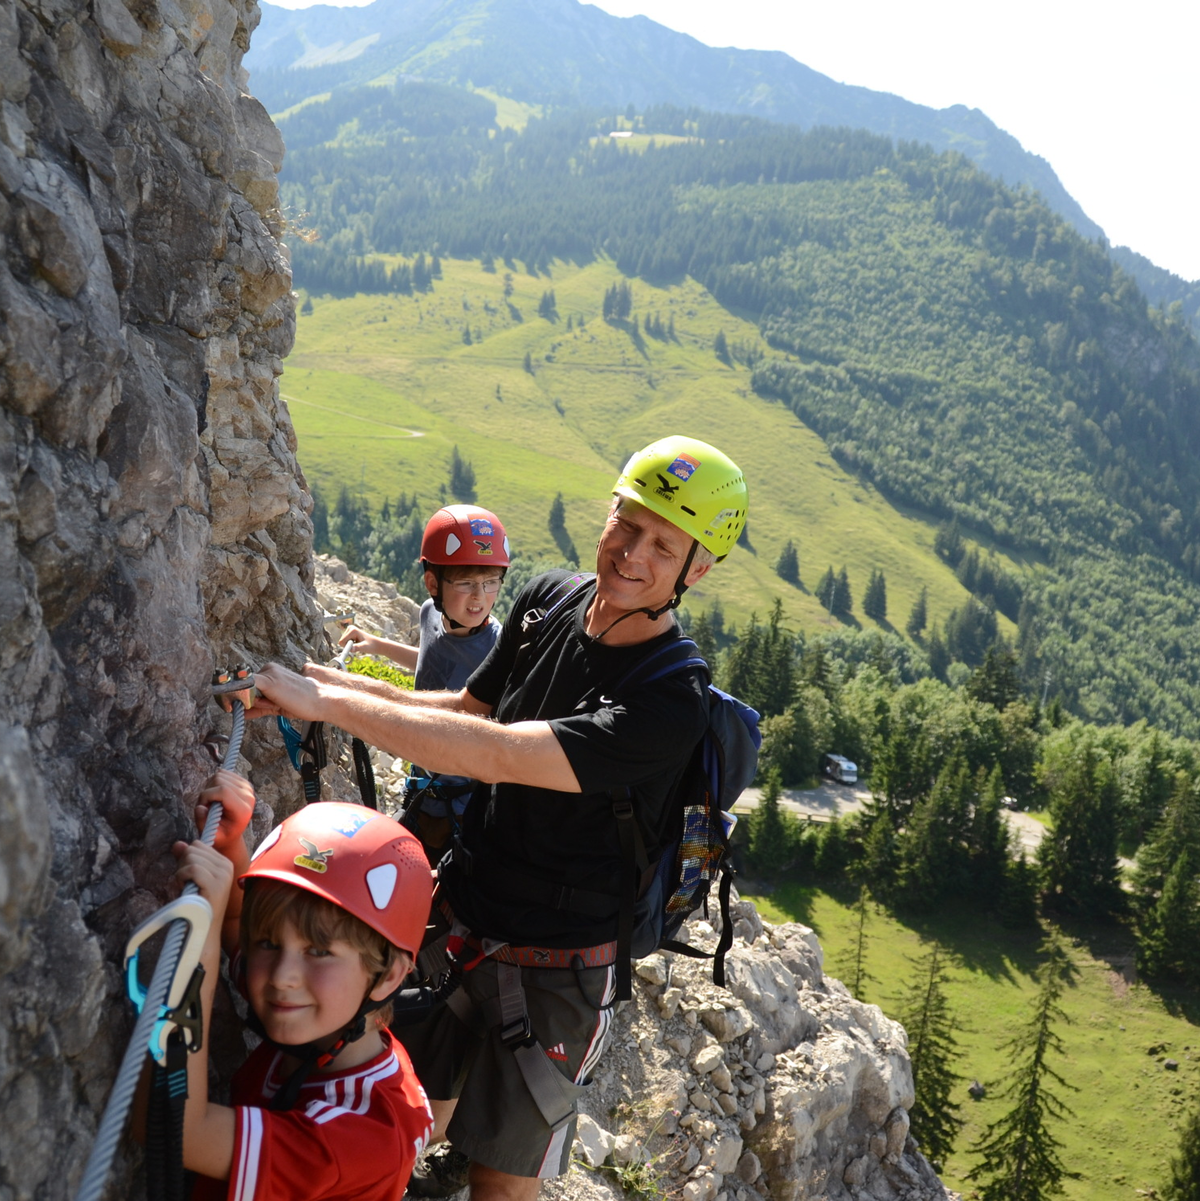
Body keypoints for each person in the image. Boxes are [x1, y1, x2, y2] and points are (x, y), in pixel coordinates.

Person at [250, 435, 748, 1201]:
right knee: (398, 1111)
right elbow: (465, 708)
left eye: (663, 544)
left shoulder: (666, 698)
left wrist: (329, 702)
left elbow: (498, 752)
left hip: (562, 965)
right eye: (627, 522)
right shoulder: (549, 600)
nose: (631, 552)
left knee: (501, 1182)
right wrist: (318, 683)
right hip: (466, 915)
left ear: (696, 569)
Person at [169, 770, 436, 1201]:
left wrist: (198, 941)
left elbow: (173, 1128)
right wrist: (230, 848)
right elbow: (238, 925)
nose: (281, 976)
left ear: (388, 976)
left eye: (318, 951)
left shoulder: (361, 1137)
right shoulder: (322, 1011)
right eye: (269, 943)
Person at [338, 505, 510, 864]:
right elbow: (433, 662)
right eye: (466, 583)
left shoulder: (498, 650)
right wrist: (377, 644)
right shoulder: (429, 613)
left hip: (462, 806)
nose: (480, 597)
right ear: (433, 584)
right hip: (422, 785)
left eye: (491, 582)